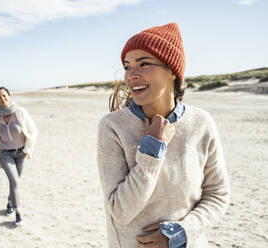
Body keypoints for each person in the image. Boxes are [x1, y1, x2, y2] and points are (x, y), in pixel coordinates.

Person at [97, 23, 230, 248]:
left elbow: (217, 194)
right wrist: (152, 149)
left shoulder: (201, 123)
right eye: (127, 67)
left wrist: (181, 232)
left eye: (144, 64)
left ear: (172, 71)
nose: (132, 75)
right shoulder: (113, 127)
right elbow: (120, 211)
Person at [0, 87, 37, 226]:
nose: (2, 99)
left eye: (4, 95)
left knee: (14, 182)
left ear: (9, 96)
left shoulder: (20, 112)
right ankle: (18, 212)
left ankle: (10, 202)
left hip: (20, 153)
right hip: (5, 154)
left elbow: (33, 130)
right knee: (14, 181)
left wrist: (27, 149)